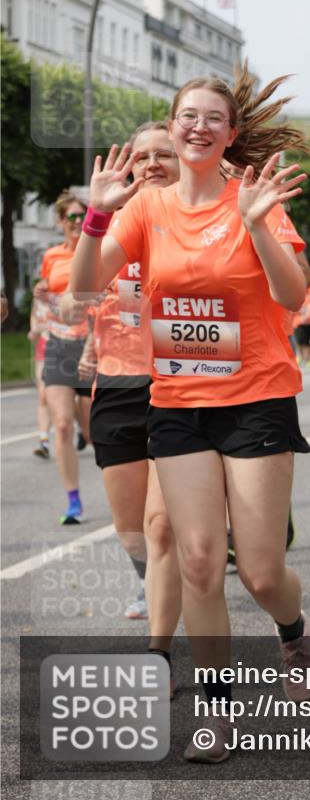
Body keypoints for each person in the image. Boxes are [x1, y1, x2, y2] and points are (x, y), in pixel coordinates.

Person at [70, 65, 310, 763]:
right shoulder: (146, 209)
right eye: (188, 116)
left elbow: (295, 295)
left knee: (263, 573)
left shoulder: (256, 199)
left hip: (256, 399)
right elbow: (86, 284)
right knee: (201, 561)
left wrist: (256, 226)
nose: (199, 127)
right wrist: (97, 215)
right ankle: (216, 713)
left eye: (214, 117)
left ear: (229, 134)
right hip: (178, 402)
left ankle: (293, 629)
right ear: (173, 127)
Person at [79, 122, 182, 638]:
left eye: (165, 153)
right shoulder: (112, 226)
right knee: (131, 530)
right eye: (142, 157)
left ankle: (160, 645)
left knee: (161, 525)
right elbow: (82, 293)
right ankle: (151, 576)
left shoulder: (201, 223)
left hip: (185, 385)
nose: (153, 164)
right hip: (119, 384)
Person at [36, 191, 94, 523]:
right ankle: (73, 500)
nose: (77, 222)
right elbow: (47, 293)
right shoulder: (51, 256)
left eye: (82, 216)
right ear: (61, 221)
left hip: (91, 346)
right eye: (71, 217)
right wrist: (40, 296)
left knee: (92, 431)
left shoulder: (96, 251)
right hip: (59, 344)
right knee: (60, 424)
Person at [28, 285, 52, 458]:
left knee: (67, 398)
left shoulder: (65, 286)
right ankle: (44, 441)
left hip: (66, 347)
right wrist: (34, 329)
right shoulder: (38, 294)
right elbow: (35, 316)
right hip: (43, 349)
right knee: (43, 395)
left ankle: (82, 429)